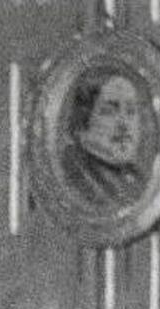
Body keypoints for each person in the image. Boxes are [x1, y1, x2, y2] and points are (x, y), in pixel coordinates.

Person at [61, 71, 146, 207]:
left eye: (131, 111)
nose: (124, 123)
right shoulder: (73, 177)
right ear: (83, 120)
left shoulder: (136, 181)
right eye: (110, 111)